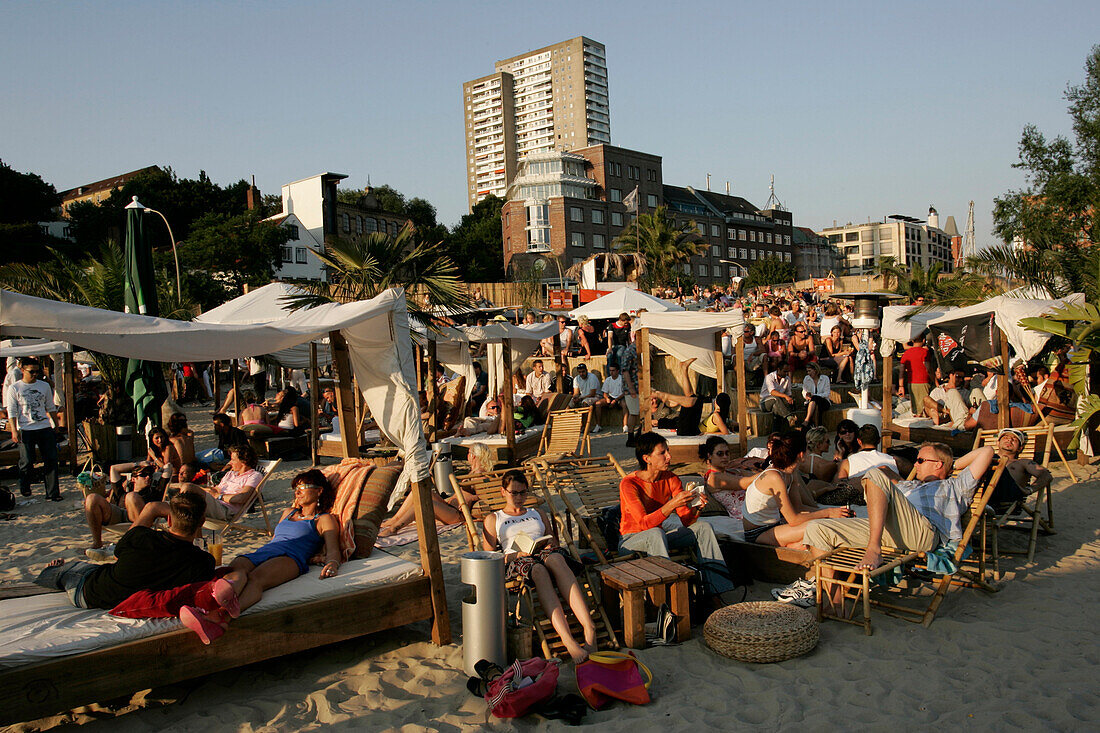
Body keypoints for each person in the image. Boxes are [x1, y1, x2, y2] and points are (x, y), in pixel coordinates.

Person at [788, 443, 996, 610]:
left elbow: (987, 451)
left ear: (938, 464)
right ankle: (835, 599)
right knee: (817, 528)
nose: (915, 465)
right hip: (890, 530)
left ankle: (873, 549)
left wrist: (953, 463)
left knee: (876, 475)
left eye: (921, 460)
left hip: (923, 533)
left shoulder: (955, 487)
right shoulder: (909, 485)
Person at [482, 470, 598, 663]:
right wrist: (517, 554)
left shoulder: (538, 513)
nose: (519, 498)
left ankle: (589, 626)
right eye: (514, 493)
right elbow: (490, 558)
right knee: (538, 570)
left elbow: (552, 538)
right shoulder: (495, 519)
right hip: (517, 559)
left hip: (543, 552)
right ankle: (568, 640)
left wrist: (550, 544)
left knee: (556, 559)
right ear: (503, 492)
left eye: (523, 492)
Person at [37, 492, 215, 609]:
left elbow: (117, 552)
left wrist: (150, 510)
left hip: (90, 592)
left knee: (69, 570)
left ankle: (52, 571)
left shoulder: (142, 538)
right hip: (120, 592)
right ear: (202, 522)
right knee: (92, 568)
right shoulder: (204, 562)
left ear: (168, 520)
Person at [618, 432, 736, 601]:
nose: (669, 456)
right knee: (655, 533)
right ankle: (667, 598)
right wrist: (671, 504)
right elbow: (644, 524)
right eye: (662, 453)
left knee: (703, 527)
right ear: (647, 458)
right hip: (631, 540)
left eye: (668, 451)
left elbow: (686, 520)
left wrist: (697, 509)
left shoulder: (671, 479)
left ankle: (717, 591)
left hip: (659, 537)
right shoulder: (629, 484)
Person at [220, 470, 341, 615]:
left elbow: (333, 548)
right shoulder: (288, 512)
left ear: (319, 490)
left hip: (290, 557)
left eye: (302, 487)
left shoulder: (323, 519)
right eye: (296, 488)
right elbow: (276, 539)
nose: (297, 492)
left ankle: (223, 615)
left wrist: (332, 563)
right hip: (267, 551)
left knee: (255, 578)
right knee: (236, 567)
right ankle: (213, 606)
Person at [741, 431, 852, 547]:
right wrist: (827, 513)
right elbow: (793, 519)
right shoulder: (774, 477)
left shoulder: (790, 472)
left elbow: (798, 507)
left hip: (774, 526)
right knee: (819, 527)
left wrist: (837, 512)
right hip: (758, 532)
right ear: (801, 454)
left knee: (823, 527)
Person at [4, 358, 63, 501]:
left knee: (51, 459)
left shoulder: (44, 386)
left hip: (44, 426)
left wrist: (56, 425)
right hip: (25, 428)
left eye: (37, 371)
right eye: (32, 371)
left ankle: (52, 493)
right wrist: (14, 430)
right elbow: (11, 411)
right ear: (22, 370)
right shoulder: (15, 388)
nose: (35, 374)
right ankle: (25, 486)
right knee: (27, 461)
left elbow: (50, 407)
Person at [84, 464, 165, 554]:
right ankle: (97, 543)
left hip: (140, 517)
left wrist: (158, 465)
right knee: (92, 498)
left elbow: (168, 468)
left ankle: (136, 541)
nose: (148, 477)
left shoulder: (154, 492)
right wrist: (137, 464)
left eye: (150, 475)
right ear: (133, 479)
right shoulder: (121, 492)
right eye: (143, 475)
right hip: (119, 514)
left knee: (131, 496)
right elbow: (114, 469)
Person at [107, 426, 179, 501]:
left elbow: (166, 466)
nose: (160, 440)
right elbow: (146, 466)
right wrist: (141, 464)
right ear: (152, 439)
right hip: (157, 474)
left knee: (138, 478)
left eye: (161, 437)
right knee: (127, 481)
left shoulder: (168, 448)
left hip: (173, 477)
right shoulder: (152, 450)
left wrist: (154, 457)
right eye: (157, 438)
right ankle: (115, 490)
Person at [696, 436, 747, 540]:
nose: (725, 457)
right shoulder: (714, 477)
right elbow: (747, 482)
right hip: (744, 515)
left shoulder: (732, 471)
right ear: (709, 456)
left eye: (727, 453)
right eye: (720, 454)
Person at [197, 444, 263, 522]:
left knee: (188, 491)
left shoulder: (254, 476)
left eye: (233, 460)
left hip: (225, 510)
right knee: (186, 491)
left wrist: (218, 496)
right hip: (214, 503)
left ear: (244, 462)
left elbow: (242, 498)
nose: (230, 463)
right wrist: (200, 489)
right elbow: (216, 489)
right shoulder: (230, 474)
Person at [988, 427, 1053, 507]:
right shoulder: (987, 458)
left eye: (1014, 440)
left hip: (1005, 500)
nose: (1009, 440)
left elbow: (1046, 475)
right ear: (997, 443)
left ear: (1020, 448)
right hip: (978, 497)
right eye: (1005, 438)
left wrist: (1029, 490)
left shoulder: (1023, 463)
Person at [834, 424, 900, 481]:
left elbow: (838, 484)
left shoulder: (847, 463)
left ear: (859, 441)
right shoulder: (894, 460)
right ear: (879, 440)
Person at [898, 336, 933, 414]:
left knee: (915, 408)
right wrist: (934, 380)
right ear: (924, 340)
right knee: (925, 407)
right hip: (923, 381)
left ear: (913, 341)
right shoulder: (925, 352)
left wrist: (901, 386)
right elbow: (928, 369)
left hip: (911, 382)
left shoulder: (906, 353)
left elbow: (901, 371)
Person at [591, 364, 626, 433]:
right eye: (610, 370)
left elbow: (624, 392)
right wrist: (607, 398)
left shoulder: (622, 379)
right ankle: (598, 425)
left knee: (625, 405)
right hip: (611, 397)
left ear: (617, 371)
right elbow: (605, 392)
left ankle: (625, 426)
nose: (611, 372)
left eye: (613, 370)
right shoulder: (608, 379)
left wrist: (616, 400)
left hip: (620, 397)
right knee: (598, 404)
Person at [759, 362, 796, 428]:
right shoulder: (769, 377)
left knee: (776, 408)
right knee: (775, 398)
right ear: (778, 370)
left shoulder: (787, 379)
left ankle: (776, 432)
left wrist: (790, 400)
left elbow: (789, 393)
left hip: (778, 403)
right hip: (765, 402)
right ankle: (789, 417)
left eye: (787, 371)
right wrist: (785, 396)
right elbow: (772, 392)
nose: (786, 373)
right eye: (784, 371)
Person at [800, 362, 831, 428]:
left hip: (824, 401)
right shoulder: (806, 378)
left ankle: (807, 420)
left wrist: (814, 395)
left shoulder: (825, 378)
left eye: (810, 371)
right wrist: (806, 395)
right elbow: (804, 391)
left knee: (815, 399)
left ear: (815, 370)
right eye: (807, 371)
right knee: (816, 405)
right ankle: (817, 426)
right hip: (811, 402)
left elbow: (826, 393)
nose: (808, 373)